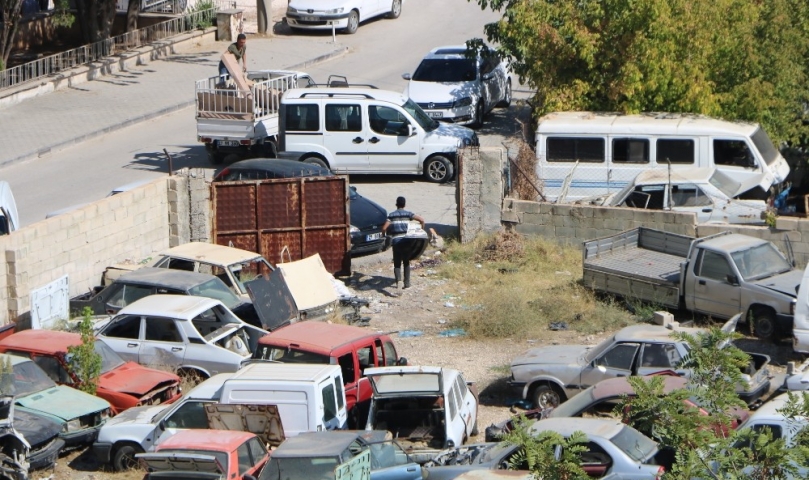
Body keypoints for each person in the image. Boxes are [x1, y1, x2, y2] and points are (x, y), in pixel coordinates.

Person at [381, 196, 425, 291]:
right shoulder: (408, 214)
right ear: (404, 204)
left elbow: (384, 228)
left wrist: (385, 236)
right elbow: (422, 220)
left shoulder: (391, 215)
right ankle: (407, 283)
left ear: (396, 204)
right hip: (407, 242)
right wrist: (421, 231)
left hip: (396, 242)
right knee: (406, 262)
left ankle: (398, 281)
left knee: (397, 263)